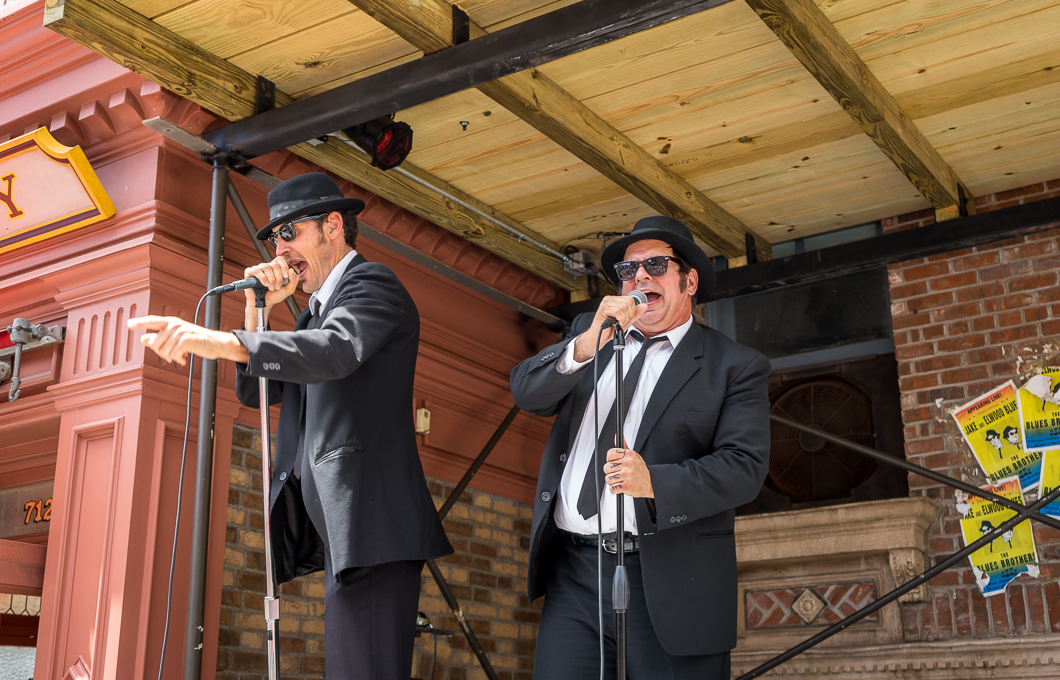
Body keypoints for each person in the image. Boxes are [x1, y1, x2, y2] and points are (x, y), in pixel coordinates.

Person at [129, 172, 452, 679]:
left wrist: (214, 340)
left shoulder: (372, 283)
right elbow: (258, 391)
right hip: (344, 529)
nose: (280, 251)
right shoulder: (310, 315)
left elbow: (335, 352)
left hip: (371, 519)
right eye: (273, 239)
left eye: (290, 233)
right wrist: (256, 310)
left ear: (333, 226)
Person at [510, 216, 771, 678]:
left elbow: (744, 467)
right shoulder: (593, 338)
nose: (640, 278)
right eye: (628, 271)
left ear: (689, 281)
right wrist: (585, 344)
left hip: (671, 578)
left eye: (655, 265)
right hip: (575, 573)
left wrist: (655, 481)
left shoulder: (733, 366)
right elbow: (527, 393)